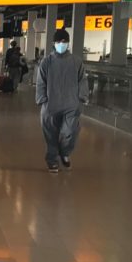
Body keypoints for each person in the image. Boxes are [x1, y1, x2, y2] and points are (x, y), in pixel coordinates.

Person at [35, 28, 87, 173]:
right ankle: (52, 160)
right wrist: (42, 99)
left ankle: (64, 152)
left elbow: (82, 80)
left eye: (64, 41)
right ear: (54, 43)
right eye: (59, 41)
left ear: (68, 43)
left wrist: (82, 97)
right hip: (51, 104)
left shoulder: (76, 62)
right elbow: (41, 82)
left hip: (71, 104)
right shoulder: (47, 62)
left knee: (70, 132)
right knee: (51, 133)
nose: (61, 44)